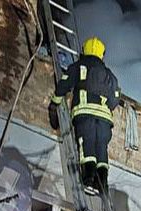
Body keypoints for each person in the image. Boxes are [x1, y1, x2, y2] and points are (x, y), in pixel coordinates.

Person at [49, 37, 121, 195]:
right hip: (104, 119)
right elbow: (116, 97)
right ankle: (102, 182)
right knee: (101, 149)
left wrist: (54, 104)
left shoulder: (78, 67)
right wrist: (106, 107)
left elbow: (64, 85)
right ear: (102, 54)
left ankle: (88, 180)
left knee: (87, 145)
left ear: (84, 50)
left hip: (84, 114)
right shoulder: (110, 75)